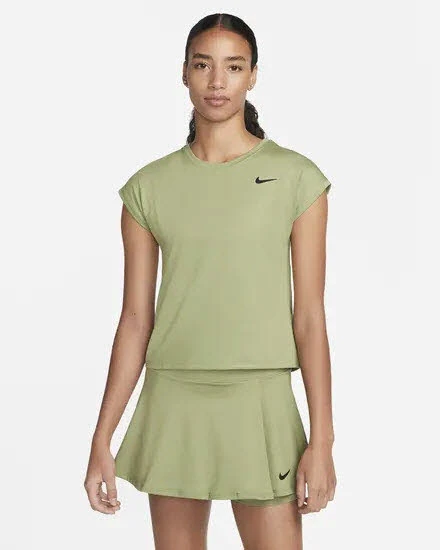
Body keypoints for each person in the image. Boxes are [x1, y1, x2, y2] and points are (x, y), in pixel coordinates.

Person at [84, 12, 336, 550]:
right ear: (184, 72)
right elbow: (135, 320)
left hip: (260, 400)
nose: (217, 81)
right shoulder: (148, 188)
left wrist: (323, 442)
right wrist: (102, 437)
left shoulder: (297, 179)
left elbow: (310, 318)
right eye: (203, 65)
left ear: (253, 76)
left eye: (234, 66)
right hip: (173, 399)